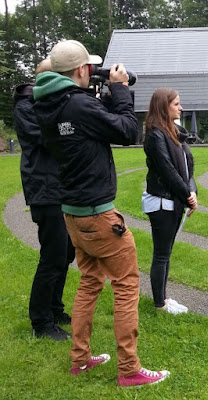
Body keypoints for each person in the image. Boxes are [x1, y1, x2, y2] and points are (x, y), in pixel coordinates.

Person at [33, 40, 169, 386]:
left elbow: (94, 121)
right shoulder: (78, 106)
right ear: (81, 71)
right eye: (89, 69)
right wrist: (121, 89)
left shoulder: (48, 104)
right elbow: (126, 131)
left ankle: (80, 360)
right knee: (125, 286)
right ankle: (130, 370)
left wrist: (105, 96)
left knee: (90, 282)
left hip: (72, 215)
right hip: (98, 215)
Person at [13, 59, 75, 341]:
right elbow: (48, 138)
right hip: (44, 188)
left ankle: (54, 306)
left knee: (67, 252)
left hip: (62, 186)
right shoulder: (26, 107)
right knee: (53, 254)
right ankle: (41, 321)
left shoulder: (51, 106)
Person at [142, 88, 197, 314]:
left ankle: (162, 298)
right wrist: (187, 195)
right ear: (164, 106)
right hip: (162, 202)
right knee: (162, 254)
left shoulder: (174, 133)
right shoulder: (156, 135)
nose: (180, 107)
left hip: (174, 200)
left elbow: (187, 168)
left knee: (166, 252)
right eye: (176, 104)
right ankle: (160, 304)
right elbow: (168, 171)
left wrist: (192, 191)